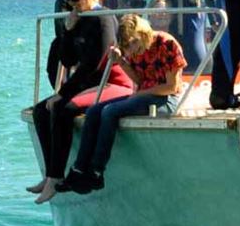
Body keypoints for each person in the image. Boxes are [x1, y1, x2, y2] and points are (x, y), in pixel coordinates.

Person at [29, 0, 134, 203]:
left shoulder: (103, 18)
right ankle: (50, 174)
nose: (72, 5)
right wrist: (68, 30)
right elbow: (67, 60)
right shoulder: (78, 19)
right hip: (88, 83)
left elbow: (97, 61)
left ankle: (57, 178)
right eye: (67, 1)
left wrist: (64, 93)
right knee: (40, 111)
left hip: (113, 81)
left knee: (64, 109)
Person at [57, 14, 187, 194]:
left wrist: (141, 93)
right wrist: (121, 62)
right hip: (143, 95)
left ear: (142, 34)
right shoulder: (133, 49)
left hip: (166, 99)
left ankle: (96, 171)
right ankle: (78, 169)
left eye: (132, 43)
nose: (131, 48)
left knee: (110, 112)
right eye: (126, 45)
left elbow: (172, 87)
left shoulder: (166, 43)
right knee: (94, 110)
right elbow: (139, 79)